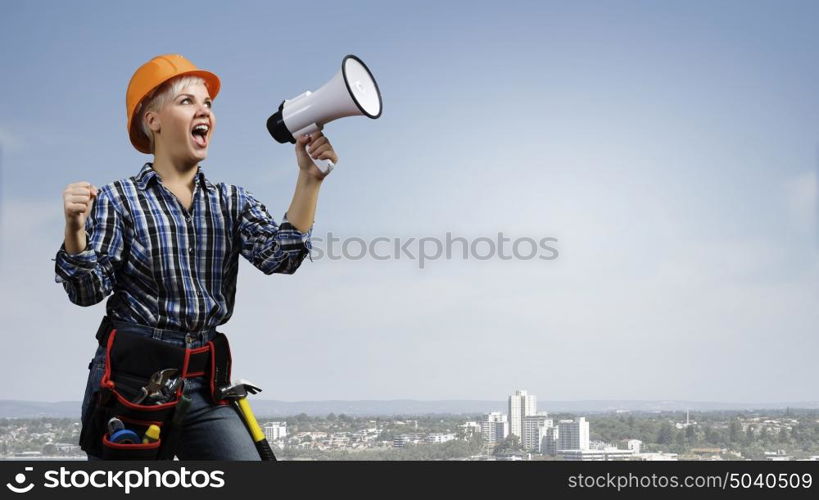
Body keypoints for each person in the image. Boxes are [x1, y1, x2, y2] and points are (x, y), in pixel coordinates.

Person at [54, 54, 336, 460]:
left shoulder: (231, 201)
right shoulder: (118, 199)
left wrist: (309, 180)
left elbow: (282, 257)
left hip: (204, 384)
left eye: (209, 104)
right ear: (152, 120)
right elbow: (86, 291)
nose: (204, 110)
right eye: (187, 101)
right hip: (129, 384)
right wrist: (75, 230)